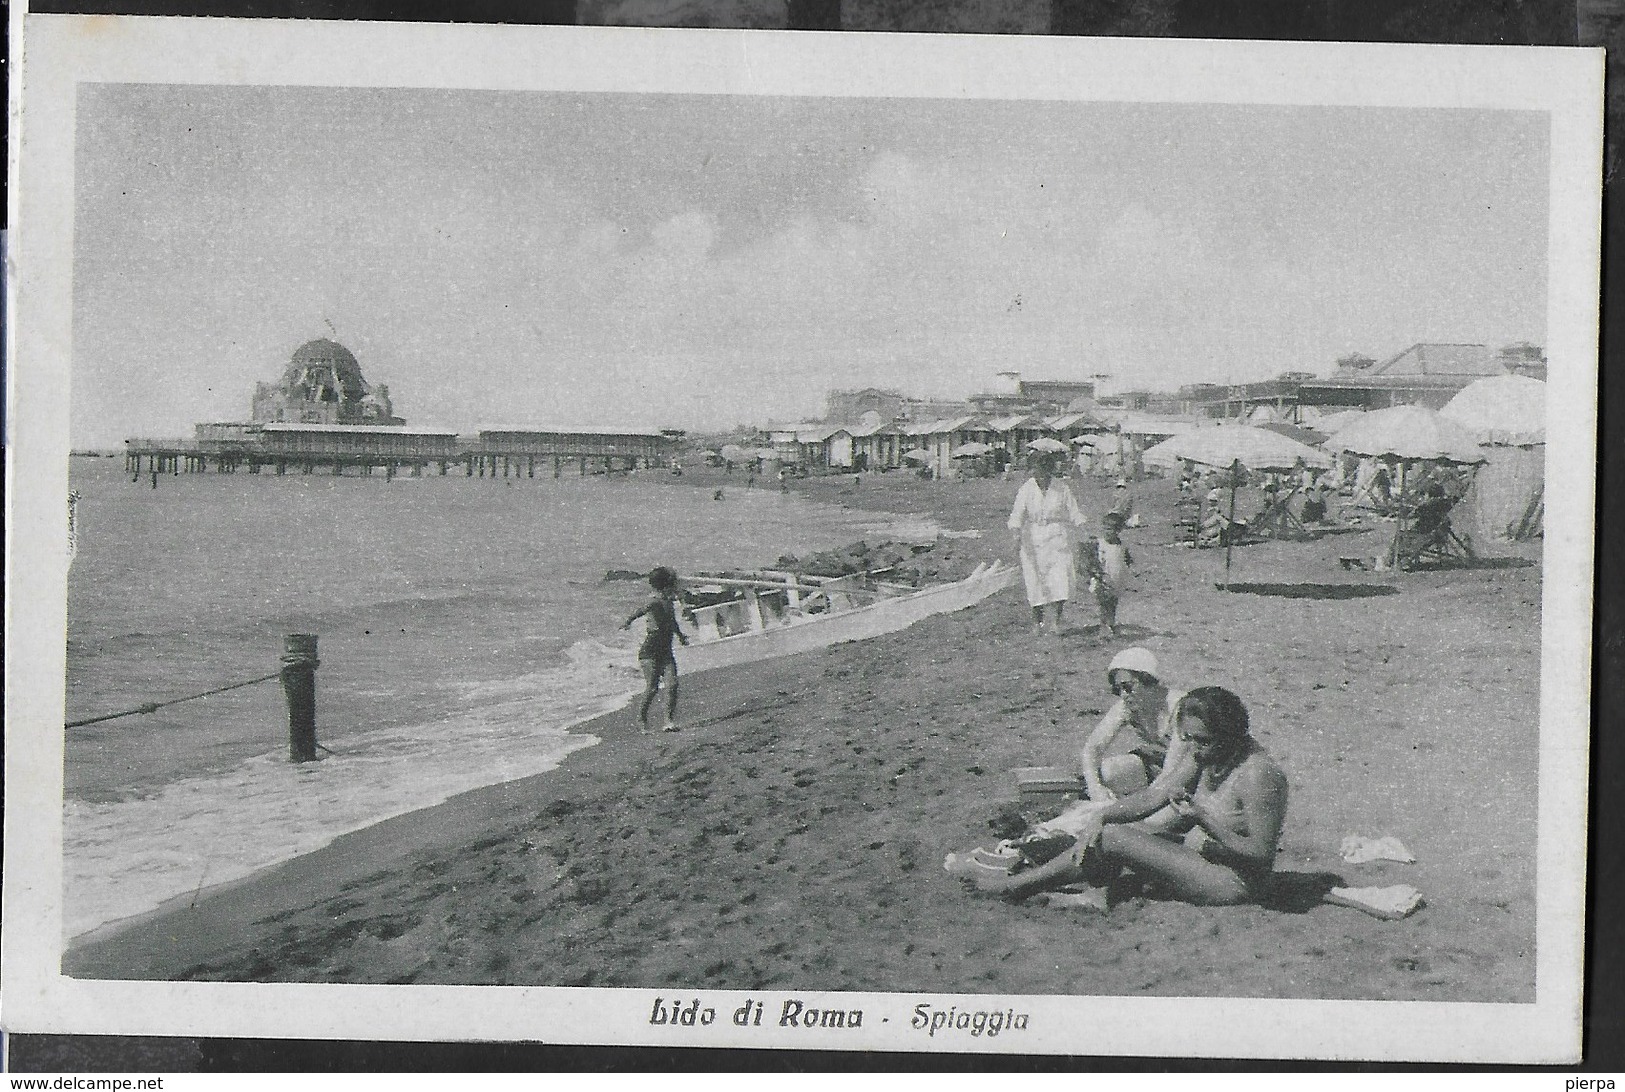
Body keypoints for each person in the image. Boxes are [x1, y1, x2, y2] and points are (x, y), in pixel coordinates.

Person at [964, 686, 1288, 907]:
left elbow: (1260, 854)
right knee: (1116, 831)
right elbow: (1154, 796)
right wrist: (1102, 814)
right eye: (1188, 738)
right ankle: (1042, 876)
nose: (1194, 748)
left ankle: (1017, 886)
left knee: (1117, 839)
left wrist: (1203, 818)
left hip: (1235, 882)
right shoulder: (1205, 751)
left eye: (1201, 740)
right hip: (1206, 859)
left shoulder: (1259, 774)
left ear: (1230, 735)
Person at [1078, 647, 1187, 806]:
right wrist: (1096, 789)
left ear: (1148, 680)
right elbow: (1092, 748)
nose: (1123, 695)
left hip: (1188, 771)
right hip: (1158, 765)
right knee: (1106, 772)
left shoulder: (1180, 706)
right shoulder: (1126, 707)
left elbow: (1172, 768)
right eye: (1118, 689)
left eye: (1128, 687)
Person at [1007, 447, 1089, 633]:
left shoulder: (1061, 488)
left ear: (1049, 469)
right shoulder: (1026, 489)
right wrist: (1015, 535)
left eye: (1043, 470)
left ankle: (1056, 622)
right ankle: (1038, 622)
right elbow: (1017, 514)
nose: (1039, 474)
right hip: (1033, 538)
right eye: (1035, 470)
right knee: (1035, 580)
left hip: (1057, 538)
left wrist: (1083, 529)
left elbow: (1074, 512)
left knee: (1060, 579)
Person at [620, 566, 689, 732]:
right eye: (673, 584)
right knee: (652, 688)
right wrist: (628, 621)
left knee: (672, 685)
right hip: (649, 652)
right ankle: (642, 720)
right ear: (667, 585)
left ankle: (668, 721)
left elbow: (672, 622)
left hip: (666, 651)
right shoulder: (655, 600)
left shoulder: (668, 602)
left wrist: (680, 636)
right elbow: (642, 610)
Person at [1081, 512, 1133, 637]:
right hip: (1102, 578)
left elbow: (1127, 559)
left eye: (1111, 529)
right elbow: (1091, 561)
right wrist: (1095, 574)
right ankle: (1104, 626)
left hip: (1117, 578)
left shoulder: (1121, 545)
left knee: (1113, 602)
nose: (1107, 532)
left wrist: (1128, 568)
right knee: (1104, 603)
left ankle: (1111, 623)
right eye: (1105, 528)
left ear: (1118, 530)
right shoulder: (1100, 544)